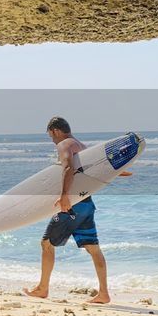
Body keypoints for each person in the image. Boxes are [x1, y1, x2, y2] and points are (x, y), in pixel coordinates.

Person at [23, 116, 129, 304]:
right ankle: (103, 293)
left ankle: (42, 288)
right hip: (86, 203)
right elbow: (97, 170)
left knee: (46, 243)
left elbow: (68, 168)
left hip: (71, 204)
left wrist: (64, 196)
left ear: (55, 130)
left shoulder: (64, 144)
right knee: (93, 248)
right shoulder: (80, 145)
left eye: (51, 136)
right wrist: (119, 171)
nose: (53, 140)